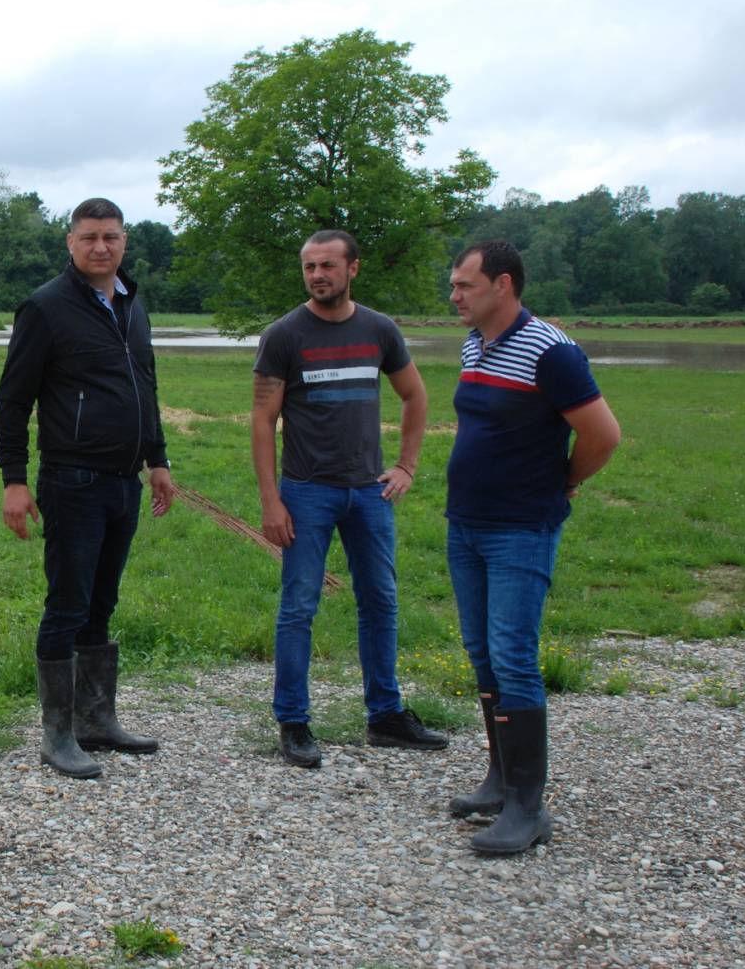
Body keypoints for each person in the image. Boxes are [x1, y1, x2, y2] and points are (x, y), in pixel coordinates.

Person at [444, 239, 620, 854]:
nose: (455, 295)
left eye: (465, 285)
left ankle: (527, 805)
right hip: (466, 522)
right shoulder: (477, 344)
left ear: (504, 284)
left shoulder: (552, 350)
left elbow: (603, 434)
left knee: (513, 654)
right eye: (454, 285)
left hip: (520, 526)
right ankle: (499, 778)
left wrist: (565, 481)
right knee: (482, 652)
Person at [0, 197, 176, 779]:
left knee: (102, 604)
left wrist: (159, 460)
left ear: (125, 242)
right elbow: (12, 401)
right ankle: (57, 735)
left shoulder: (131, 303)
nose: (102, 247)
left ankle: (98, 720)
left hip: (124, 480)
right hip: (71, 480)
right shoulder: (45, 308)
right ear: (69, 242)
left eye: (112, 237)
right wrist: (15, 481)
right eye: (90, 237)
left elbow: (144, 385)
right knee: (67, 605)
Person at [251, 229, 447, 768]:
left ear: (353, 268)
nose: (318, 275)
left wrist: (406, 465)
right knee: (299, 606)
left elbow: (415, 395)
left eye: (328, 266)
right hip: (307, 491)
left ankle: (385, 716)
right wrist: (271, 501)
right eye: (310, 267)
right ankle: (293, 721)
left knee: (380, 601)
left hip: (368, 492)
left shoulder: (379, 329)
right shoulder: (284, 335)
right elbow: (264, 420)